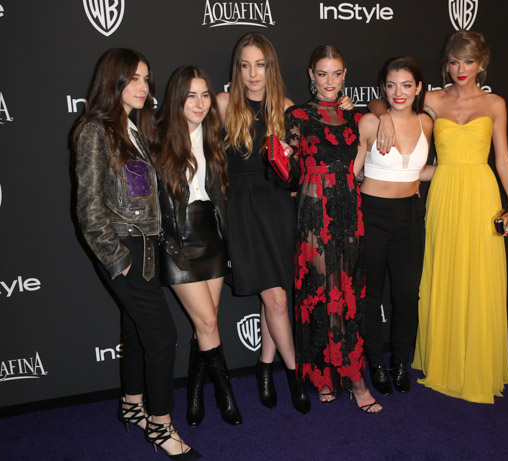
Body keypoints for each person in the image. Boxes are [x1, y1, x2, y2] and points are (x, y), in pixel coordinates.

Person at [377, 30, 508, 403]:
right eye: (454, 61)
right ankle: (441, 357)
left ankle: (475, 361)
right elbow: (391, 105)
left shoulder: (496, 105)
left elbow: (502, 157)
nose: (461, 69)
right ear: (446, 63)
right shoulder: (434, 100)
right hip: (442, 193)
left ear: (482, 65)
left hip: (481, 195)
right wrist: (385, 120)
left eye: (469, 61)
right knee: (441, 272)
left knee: (478, 276)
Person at [73, 49, 200, 459]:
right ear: (113, 81)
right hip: (124, 248)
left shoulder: (131, 127)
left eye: (146, 79)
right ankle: (161, 426)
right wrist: (117, 259)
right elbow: (89, 209)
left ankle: (132, 403)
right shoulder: (95, 130)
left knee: (134, 330)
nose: (143, 87)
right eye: (133, 79)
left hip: (146, 247)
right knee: (163, 336)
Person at [216, 32, 310, 414]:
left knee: (274, 295)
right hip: (241, 209)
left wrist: (291, 159)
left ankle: (264, 367)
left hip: (277, 209)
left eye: (261, 64)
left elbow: (296, 175)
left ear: (271, 67)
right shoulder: (222, 104)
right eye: (245, 65)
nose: (253, 74)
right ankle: (295, 377)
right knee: (276, 297)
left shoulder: (285, 107)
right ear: (237, 69)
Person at [284, 44, 382, 413]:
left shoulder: (353, 116)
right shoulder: (297, 116)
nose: (329, 81)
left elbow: (381, 110)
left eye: (336, 74)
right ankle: (326, 375)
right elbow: (288, 173)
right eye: (322, 74)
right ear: (311, 75)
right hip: (314, 215)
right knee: (323, 292)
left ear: (345, 75)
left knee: (350, 292)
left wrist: (374, 112)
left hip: (350, 212)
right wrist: (281, 160)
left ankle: (353, 374)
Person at [157, 66, 241, 427]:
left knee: (203, 325)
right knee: (207, 321)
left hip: (212, 236)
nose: (200, 103)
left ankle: (193, 397)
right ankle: (227, 397)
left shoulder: (213, 134)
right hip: (178, 242)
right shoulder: (156, 137)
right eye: (191, 95)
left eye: (205, 95)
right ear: (176, 98)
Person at [358, 57, 433, 396]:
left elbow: (424, 170)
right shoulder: (370, 122)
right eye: (390, 85)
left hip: (409, 215)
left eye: (406, 85)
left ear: (418, 88)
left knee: (406, 295)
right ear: (382, 89)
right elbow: (354, 171)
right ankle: (375, 364)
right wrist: (382, 113)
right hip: (372, 214)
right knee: (371, 296)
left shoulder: (427, 123)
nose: (398, 92)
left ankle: (400, 362)